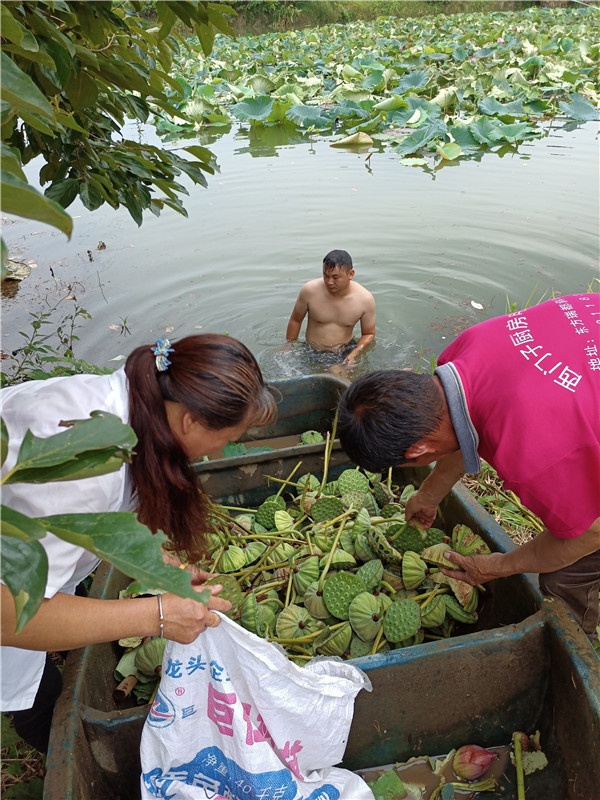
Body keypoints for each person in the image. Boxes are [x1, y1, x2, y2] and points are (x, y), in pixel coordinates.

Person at [1, 333, 277, 753]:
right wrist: (158, 615)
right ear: (191, 421)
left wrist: (158, 565)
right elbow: (10, 612)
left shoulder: (134, 404)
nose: (216, 452)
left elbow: (106, 516)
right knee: (38, 699)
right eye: (226, 439)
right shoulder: (81, 464)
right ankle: (56, 743)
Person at [336, 294, 600, 641]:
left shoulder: (531, 453)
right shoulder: (463, 353)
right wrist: (429, 493)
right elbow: (463, 426)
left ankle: (580, 665)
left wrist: (497, 566)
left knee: (565, 575)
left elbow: (591, 532)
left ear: (419, 451)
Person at [285, 249, 376, 369]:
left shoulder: (365, 299)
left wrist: (355, 353)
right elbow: (295, 320)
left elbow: (369, 333)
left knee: (338, 379)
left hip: (343, 351)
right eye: (325, 276)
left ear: (351, 274)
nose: (329, 282)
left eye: (335, 277)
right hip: (311, 350)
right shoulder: (309, 291)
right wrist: (289, 346)